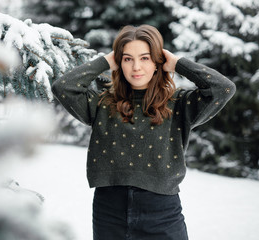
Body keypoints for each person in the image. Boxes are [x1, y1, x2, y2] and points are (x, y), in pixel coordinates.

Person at [52, 24, 236, 240]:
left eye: (145, 58)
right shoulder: (102, 103)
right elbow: (63, 87)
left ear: (158, 62)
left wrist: (178, 63)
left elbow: (223, 89)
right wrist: (106, 61)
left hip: (162, 213)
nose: (136, 67)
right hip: (109, 211)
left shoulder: (179, 104)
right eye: (128, 58)